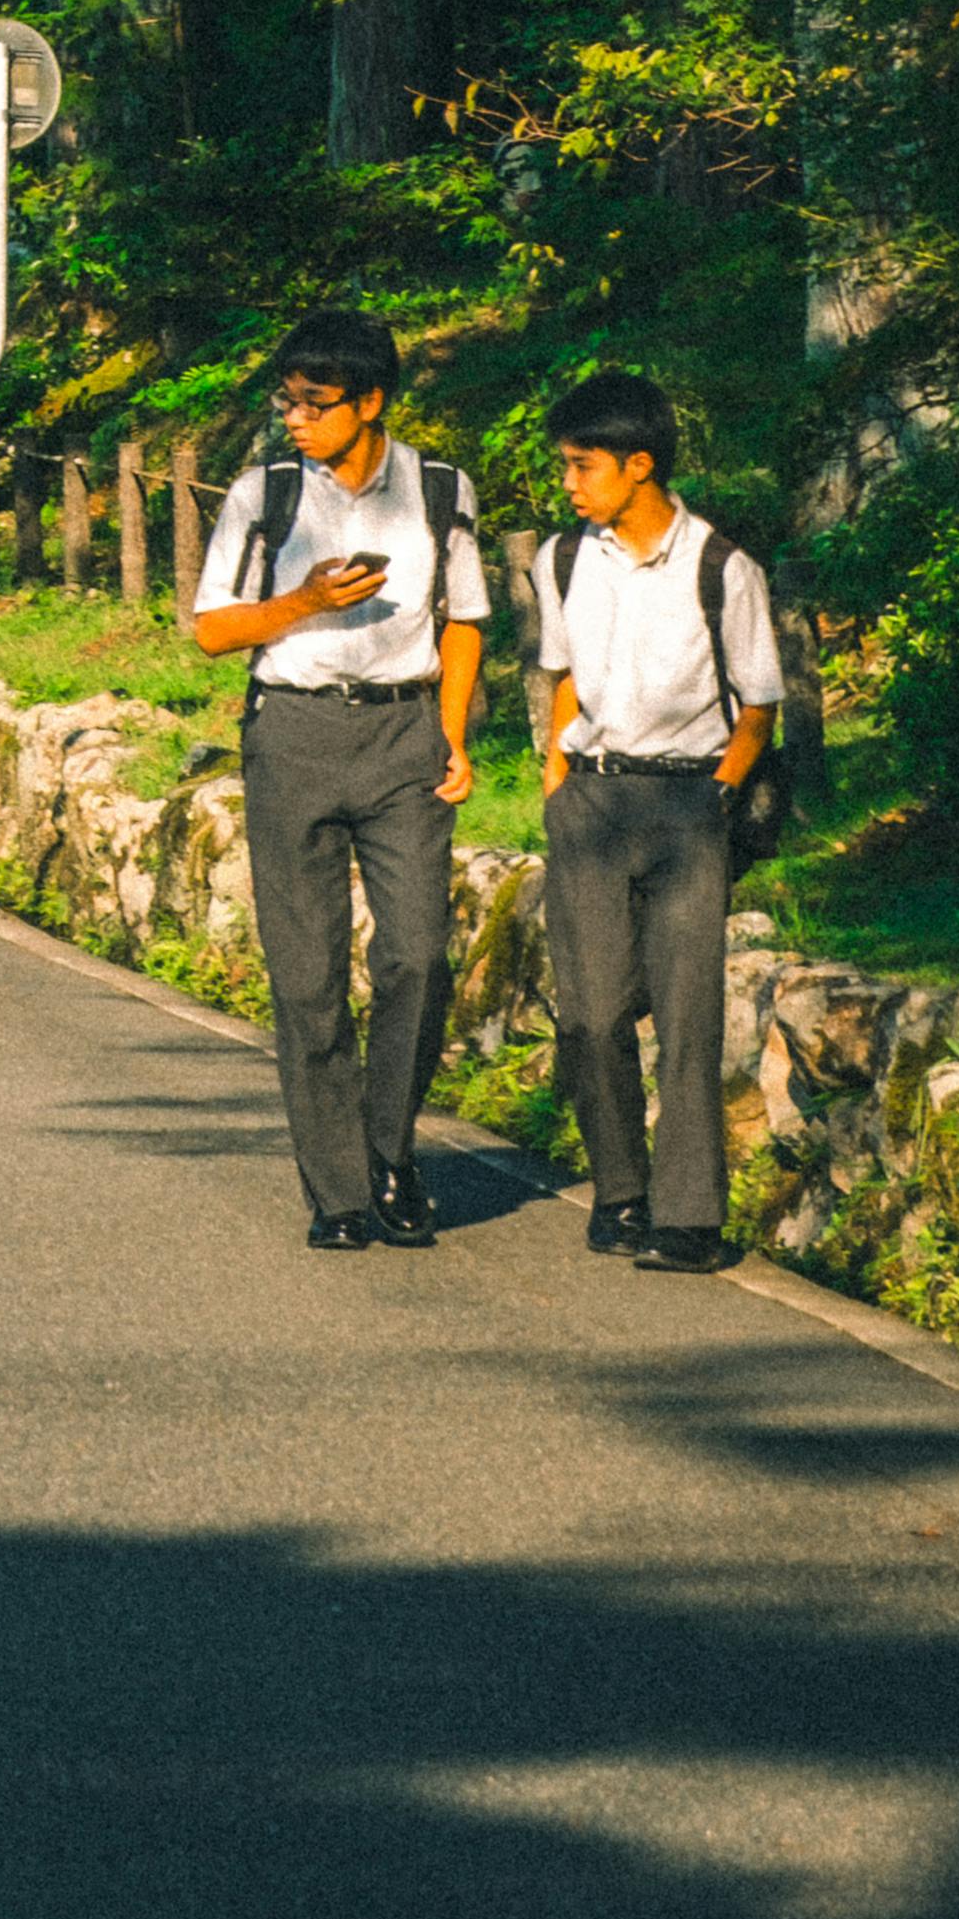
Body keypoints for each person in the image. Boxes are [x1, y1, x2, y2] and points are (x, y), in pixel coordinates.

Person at [191, 306, 491, 1250]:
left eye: (315, 403)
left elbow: (466, 619)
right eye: (287, 401)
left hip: (405, 733)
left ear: (372, 402)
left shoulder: (440, 490)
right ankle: (340, 1192)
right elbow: (211, 630)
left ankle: (390, 1149)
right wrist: (305, 600)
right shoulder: (264, 495)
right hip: (294, 734)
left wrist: (452, 736)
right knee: (307, 977)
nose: (296, 418)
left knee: (417, 955)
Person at [530, 372, 780, 1274]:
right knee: (591, 1014)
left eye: (582, 465)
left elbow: (758, 704)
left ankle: (689, 1219)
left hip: (686, 805)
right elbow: (559, 676)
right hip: (590, 801)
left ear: (640, 467)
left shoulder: (724, 568)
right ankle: (621, 1192)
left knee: (687, 1015)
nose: (569, 482)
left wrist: (717, 792)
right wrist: (558, 776)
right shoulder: (560, 560)